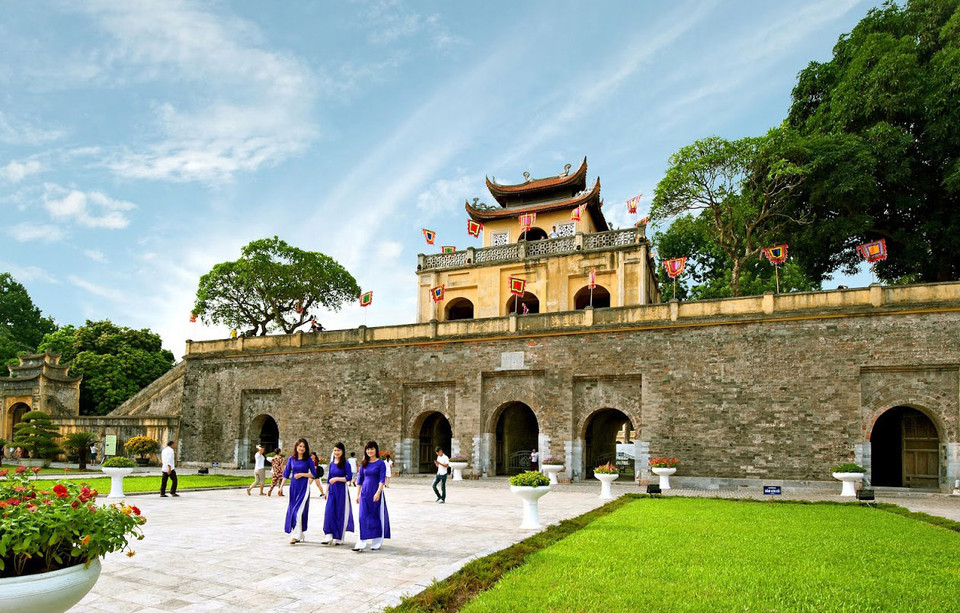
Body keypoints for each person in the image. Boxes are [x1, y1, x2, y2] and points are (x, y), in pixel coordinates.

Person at [353, 440, 390, 552]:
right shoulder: (364, 463)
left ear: (376, 450)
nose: (370, 451)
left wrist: (378, 492)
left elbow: (382, 479)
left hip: (375, 492)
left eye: (372, 449)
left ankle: (377, 541)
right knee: (362, 516)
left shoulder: (380, 463)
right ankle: (361, 542)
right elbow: (360, 480)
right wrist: (358, 494)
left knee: (375, 516)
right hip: (365, 493)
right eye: (368, 449)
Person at [283, 438, 317, 544]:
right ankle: (300, 533)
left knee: (297, 511)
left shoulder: (308, 460)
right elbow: (286, 473)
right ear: (296, 447)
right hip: (293, 487)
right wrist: (281, 487)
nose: (301, 448)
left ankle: (295, 535)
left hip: (304, 487)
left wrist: (302, 474)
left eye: (303, 446)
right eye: (300, 446)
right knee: (293, 510)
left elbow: (314, 474)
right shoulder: (291, 459)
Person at [321, 442, 355, 545]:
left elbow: (349, 477)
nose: (336, 452)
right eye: (335, 450)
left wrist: (337, 479)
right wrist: (326, 491)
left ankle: (339, 536)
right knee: (329, 511)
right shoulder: (331, 464)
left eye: (338, 450)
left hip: (341, 491)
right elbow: (328, 478)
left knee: (340, 512)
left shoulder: (346, 464)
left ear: (342, 451)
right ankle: (328, 534)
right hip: (331, 491)